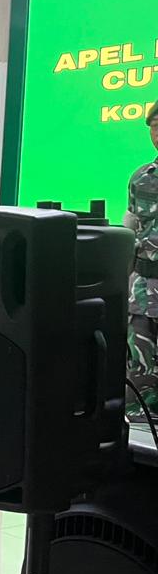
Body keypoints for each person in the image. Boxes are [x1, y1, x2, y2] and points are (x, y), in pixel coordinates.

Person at [125, 102, 158, 423]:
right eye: (154, 125)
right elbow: (132, 226)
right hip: (143, 291)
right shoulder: (141, 179)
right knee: (140, 366)